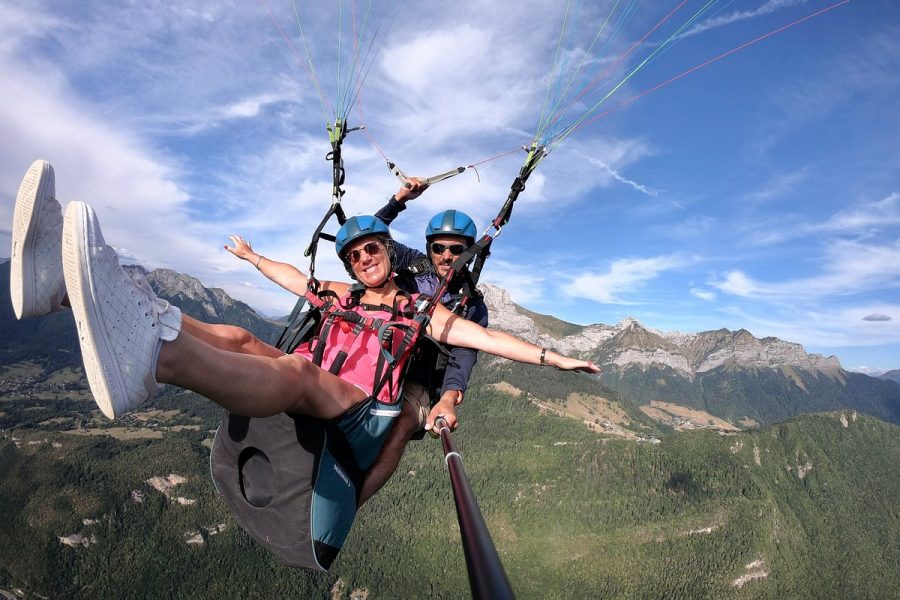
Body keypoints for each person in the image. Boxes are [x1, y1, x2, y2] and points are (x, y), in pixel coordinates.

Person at [10, 160, 598, 568]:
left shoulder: (443, 302)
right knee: (241, 336)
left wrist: (550, 359)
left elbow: (468, 345)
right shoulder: (382, 276)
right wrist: (254, 256)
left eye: (454, 251)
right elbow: (335, 259)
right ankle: (65, 288)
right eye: (437, 248)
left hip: (385, 393)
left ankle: (151, 357)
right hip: (353, 366)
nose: (444, 257)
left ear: (465, 255)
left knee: (306, 377)